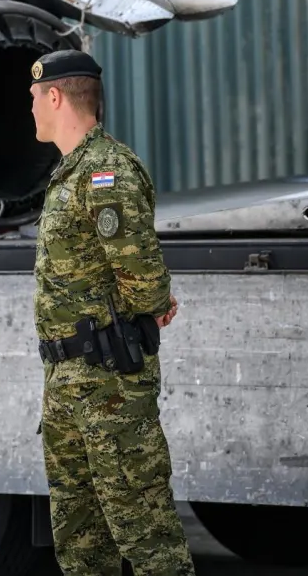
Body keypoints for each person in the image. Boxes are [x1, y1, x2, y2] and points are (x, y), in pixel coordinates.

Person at [30, 48, 195, 576]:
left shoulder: (105, 171)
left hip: (111, 385)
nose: (31, 109)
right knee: (81, 544)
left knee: (148, 540)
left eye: (34, 98)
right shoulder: (70, 173)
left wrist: (153, 304)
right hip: (67, 381)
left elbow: (142, 273)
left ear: (55, 96)